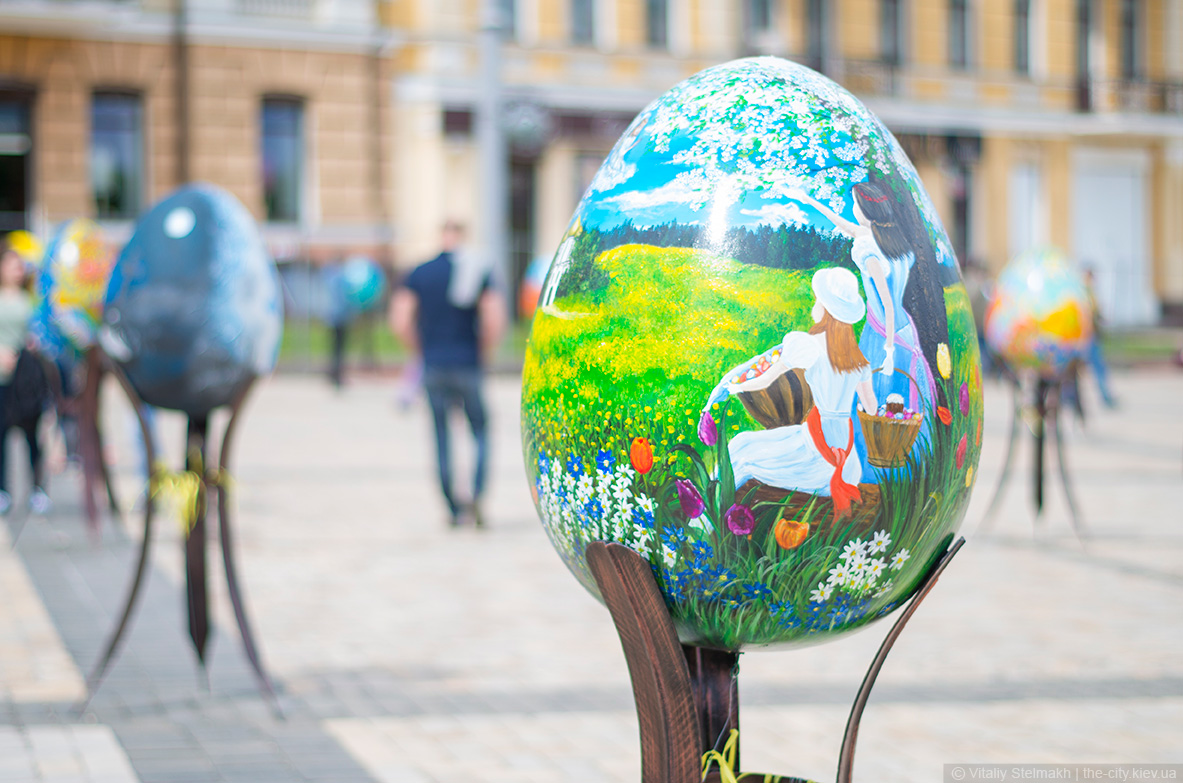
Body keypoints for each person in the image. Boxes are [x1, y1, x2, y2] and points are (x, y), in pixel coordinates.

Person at [702, 267, 878, 517]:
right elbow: (872, 409)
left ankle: (706, 519)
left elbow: (766, 379)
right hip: (848, 466)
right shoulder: (859, 362)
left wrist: (736, 387)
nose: (815, 306)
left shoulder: (810, 345)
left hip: (815, 455)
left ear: (826, 309)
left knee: (740, 447)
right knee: (746, 447)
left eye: (818, 300)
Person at [784, 182, 936, 413]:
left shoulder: (870, 252)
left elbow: (887, 304)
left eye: (855, 204)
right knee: (897, 394)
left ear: (865, 210)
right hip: (904, 327)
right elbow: (842, 224)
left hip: (883, 332)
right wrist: (810, 201)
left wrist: (889, 350)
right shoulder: (892, 240)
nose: (853, 209)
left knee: (875, 391)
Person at [392, 221, 506, 527]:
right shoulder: (478, 270)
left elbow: (400, 320)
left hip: (434, 364)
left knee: (441, 434)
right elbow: (494, 319)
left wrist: (420, 349)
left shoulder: (420, 272)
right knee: (479, 430)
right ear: (463, 238)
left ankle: (452, 507)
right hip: (468, 362)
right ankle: (477, 495)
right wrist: (483, 350)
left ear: (441, 237)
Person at [0, 241, 49, 515]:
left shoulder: (32, 300)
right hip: (2, 377)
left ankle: (38, 489)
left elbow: (42, 331)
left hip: (25, 376)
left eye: (19, 266)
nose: (16, 271)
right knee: (2, 435)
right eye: (11, 265)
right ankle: (3, 490)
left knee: (33, 434)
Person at [1082, 267, 1117, 408]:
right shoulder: (1085, 293)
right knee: (1098, 367)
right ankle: (1105, 396)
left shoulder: (1088, 292)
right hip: (1087, 337)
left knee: (1097, 367)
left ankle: (1105, 396)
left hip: (1090, 336)